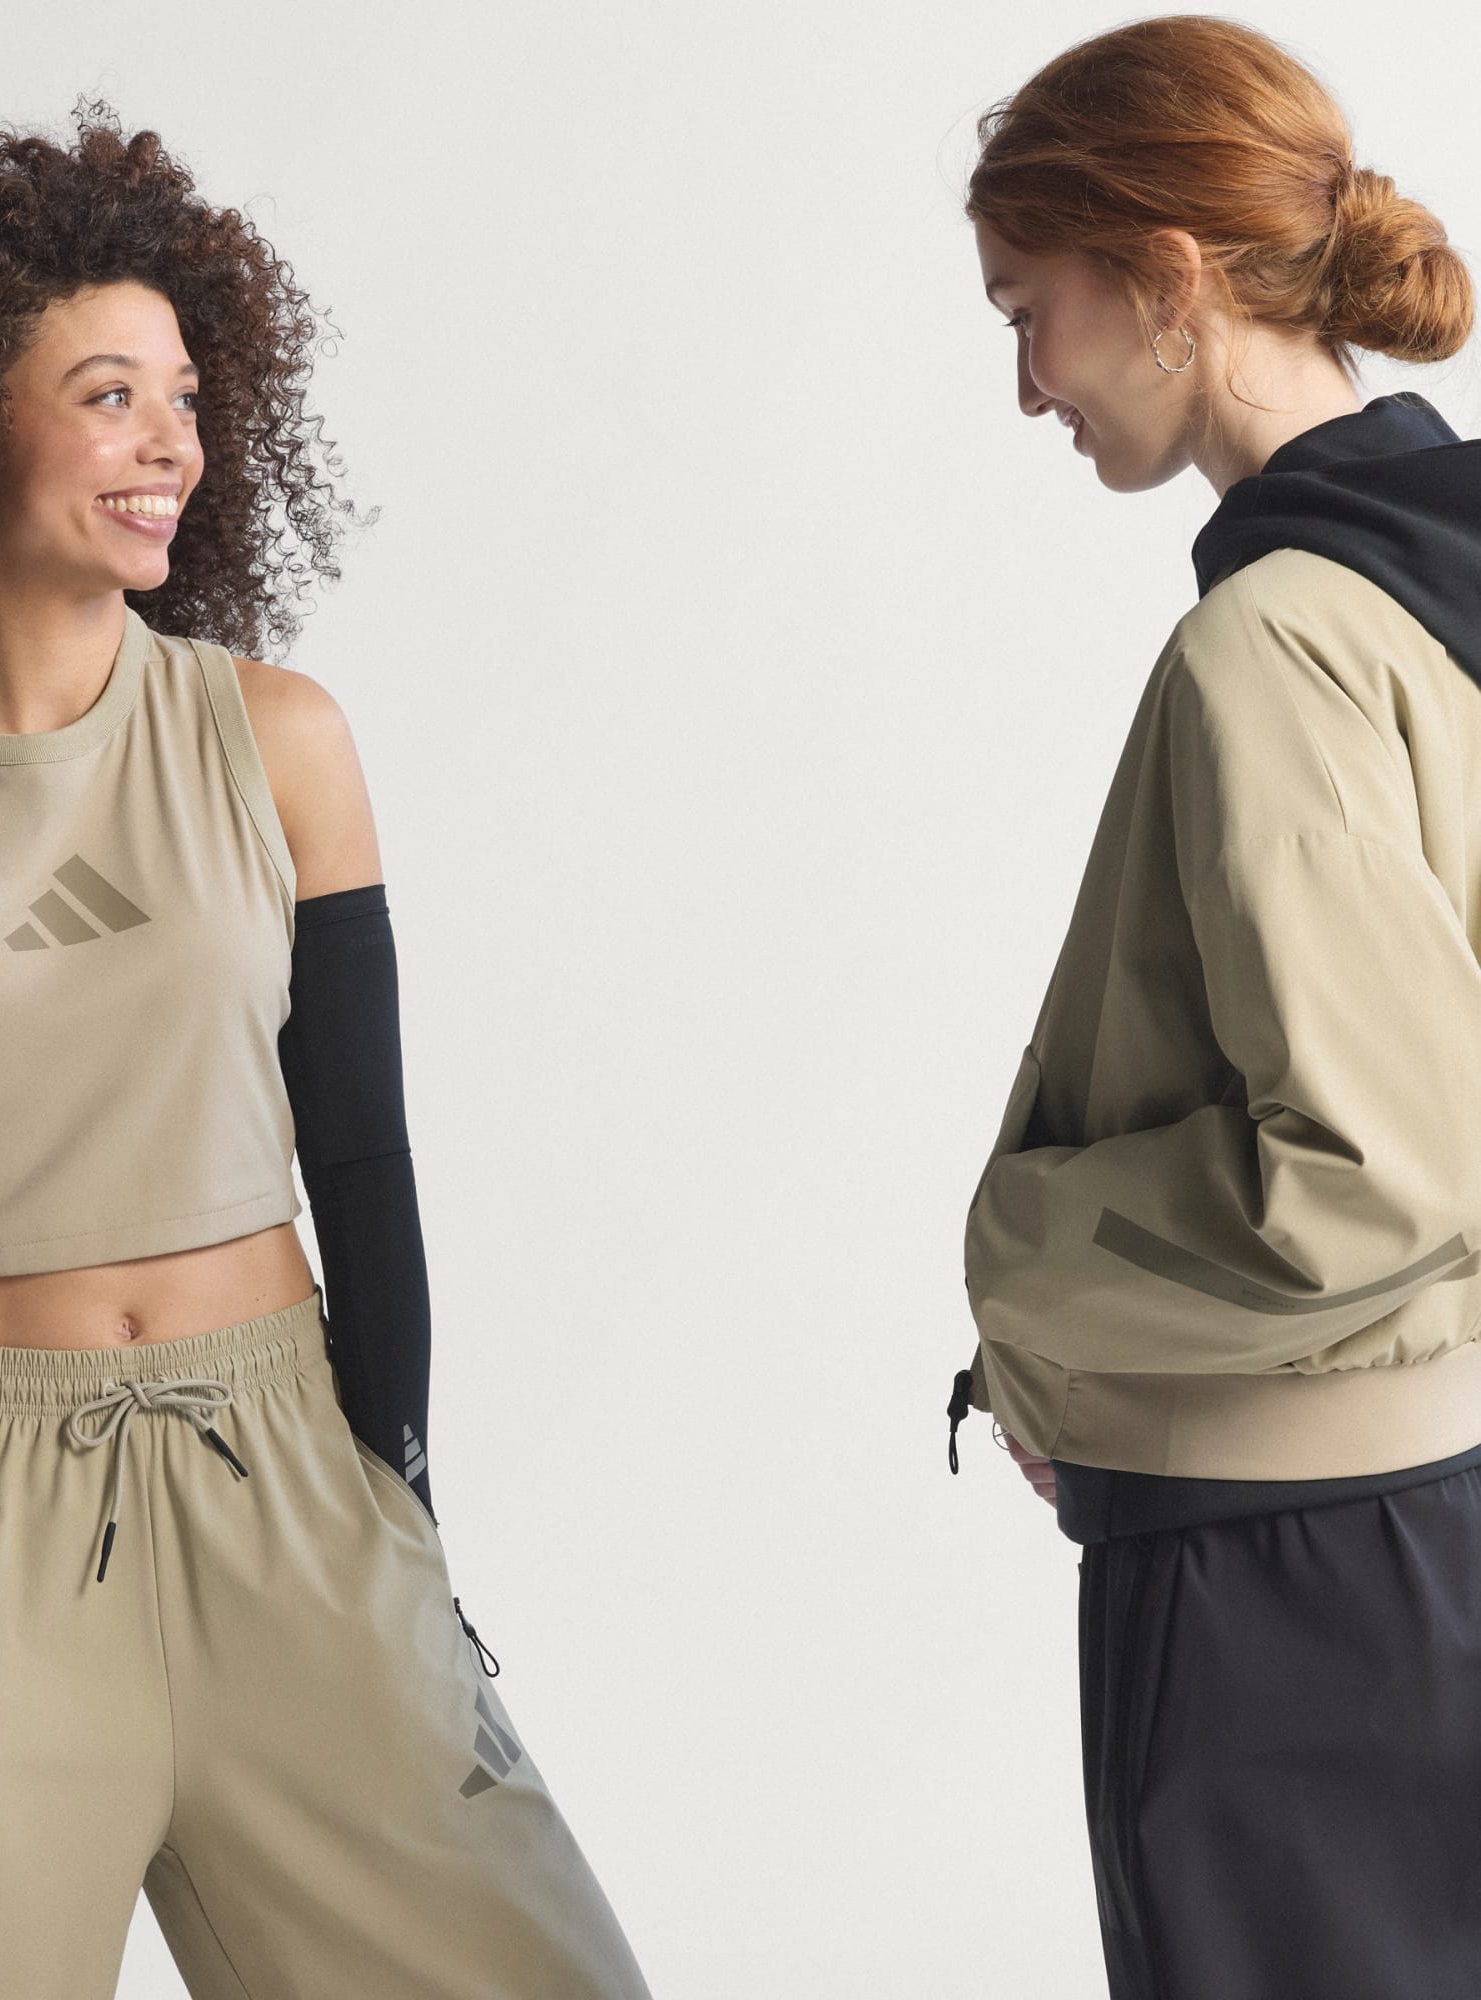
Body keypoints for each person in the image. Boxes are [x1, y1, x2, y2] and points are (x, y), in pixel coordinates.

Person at [0, 102, 652, 1999]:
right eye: (109, 396)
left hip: (286, 1489)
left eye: (185, 399)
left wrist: (394, 1506)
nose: (170, 444)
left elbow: (360, 1156)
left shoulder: (277, 738)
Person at [948, 18, 1481, 1999]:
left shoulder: (1276, 642)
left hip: (1288, 1569)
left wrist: (1029, 1291)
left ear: (1170, 276)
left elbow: (1377, 1171)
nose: (1026, 384)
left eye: (1034, 311)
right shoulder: (1442, 576)